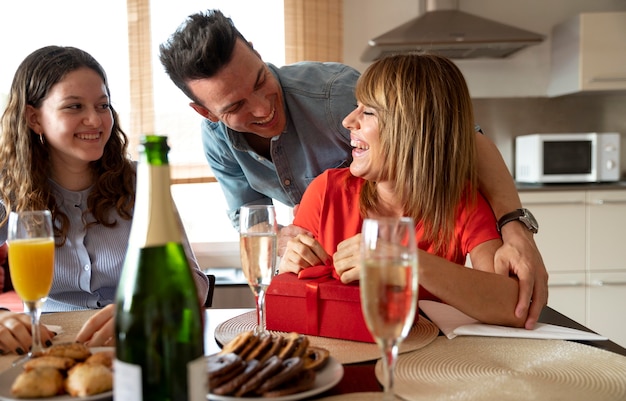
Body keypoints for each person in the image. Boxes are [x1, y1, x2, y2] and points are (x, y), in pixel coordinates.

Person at [158, 9, 547, 328]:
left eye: (260, 81)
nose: (261, 108)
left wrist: (514, 227)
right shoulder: (326, 189)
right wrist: (282, 250)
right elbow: (259, 236)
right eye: (235, 107)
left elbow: (454, 136)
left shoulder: (336, 94)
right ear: (207, 113)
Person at [280, 53, 526, 326]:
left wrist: (404, 260)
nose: (348, 121)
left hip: (429, 361)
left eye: (368, 112)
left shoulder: (461, 204)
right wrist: (289, 263)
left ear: (415, 130)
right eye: (355, 106)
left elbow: (512, 306)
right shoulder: (326, 191)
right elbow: (289, 298)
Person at [0, 46, 209, 351]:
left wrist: (145, 309)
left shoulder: (141, 180)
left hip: (136, 344)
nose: (95, 121)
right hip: (50, 347)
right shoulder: (8, 189)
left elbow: (194, 284)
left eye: (102, 105)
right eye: (74, 107)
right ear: (34, 118)